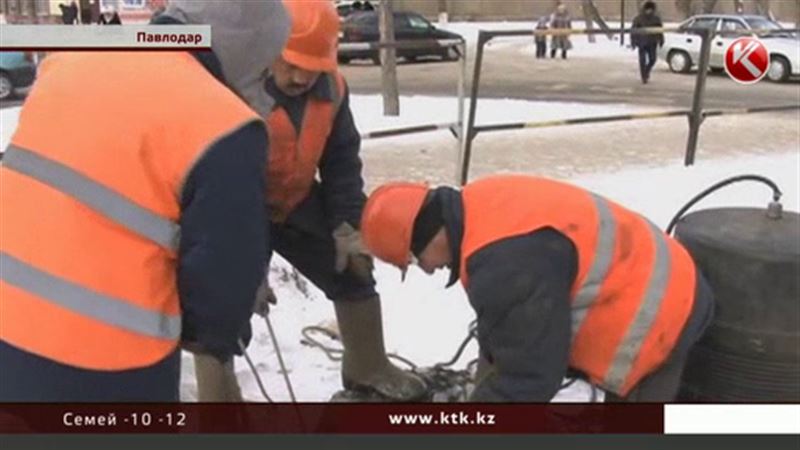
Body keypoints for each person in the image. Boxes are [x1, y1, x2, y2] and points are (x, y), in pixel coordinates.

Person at [0, 0, 290, 402]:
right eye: (264, 66)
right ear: (249, 49)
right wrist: (214, 333)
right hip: (108, 364)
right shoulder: (224, 123)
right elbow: (223, 276)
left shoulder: (72, 60)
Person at [359, 175, 715, 402]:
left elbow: (530, 380)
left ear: (426, 235)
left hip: (661, 315)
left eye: (415, 259)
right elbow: (509, 334)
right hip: (666, 279)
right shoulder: (481, 204)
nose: (426, 269)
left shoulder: (503, 265)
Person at [631, 1, 664, 84]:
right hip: (641, 42)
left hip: (652, 42)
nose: (649, 11)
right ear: (645, 9)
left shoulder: (656, 19)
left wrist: (661, 40)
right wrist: (633, 42)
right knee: (642, 60)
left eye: (651, 10)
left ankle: (647, 70)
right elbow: (633, 31)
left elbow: (660, 30)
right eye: (648, 9)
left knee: (653, 59)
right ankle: (644, 77)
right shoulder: (638, 19)